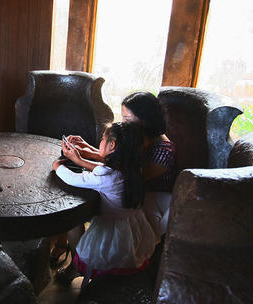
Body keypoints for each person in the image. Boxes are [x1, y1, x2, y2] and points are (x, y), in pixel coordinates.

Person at [52, 122, 157, 287]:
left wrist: (58, 167)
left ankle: (78, 268)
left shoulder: (107, 176)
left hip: (110, 229)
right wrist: (80, 159)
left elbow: (73, 179)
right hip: (132, 225)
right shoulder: (134, 167)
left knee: (77, 227)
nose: (100, 142)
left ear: (112, 145)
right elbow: (104, 168)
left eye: (102, 139)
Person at [67, 91, 177, 241]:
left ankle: (81, 252)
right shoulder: (139, 136)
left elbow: (122, 174)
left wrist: (80, 160)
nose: (123, 122)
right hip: (127, 190)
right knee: (75, 199)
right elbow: (120, 159)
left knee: (75, 207)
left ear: (144, 119)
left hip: (146, 200)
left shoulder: (164, 151)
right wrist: (88, 150)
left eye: (127, 118)